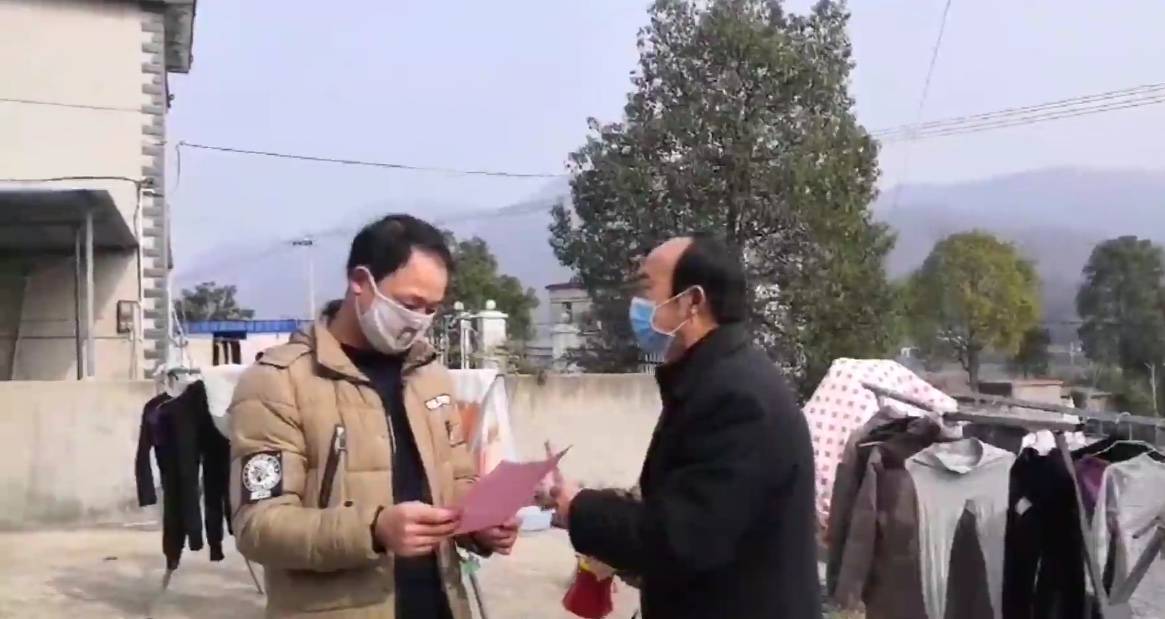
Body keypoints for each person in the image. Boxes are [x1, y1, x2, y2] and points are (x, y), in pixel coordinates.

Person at [229, 214, 519, 619]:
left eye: (431, 309)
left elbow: (457, 482)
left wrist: (481, 526)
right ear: (360, 282)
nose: (418, 320)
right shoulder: (279, 382)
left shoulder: (430, 377)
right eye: (409, 304)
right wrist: (373, 530)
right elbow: (258, 526)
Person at [547, 235, 822, 619]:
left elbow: (683, 538)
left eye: (646, 289)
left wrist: (580, 509)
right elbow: (684, 502)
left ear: (692, 301)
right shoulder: (710, 380)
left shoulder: (737, 398)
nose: (636, 306)